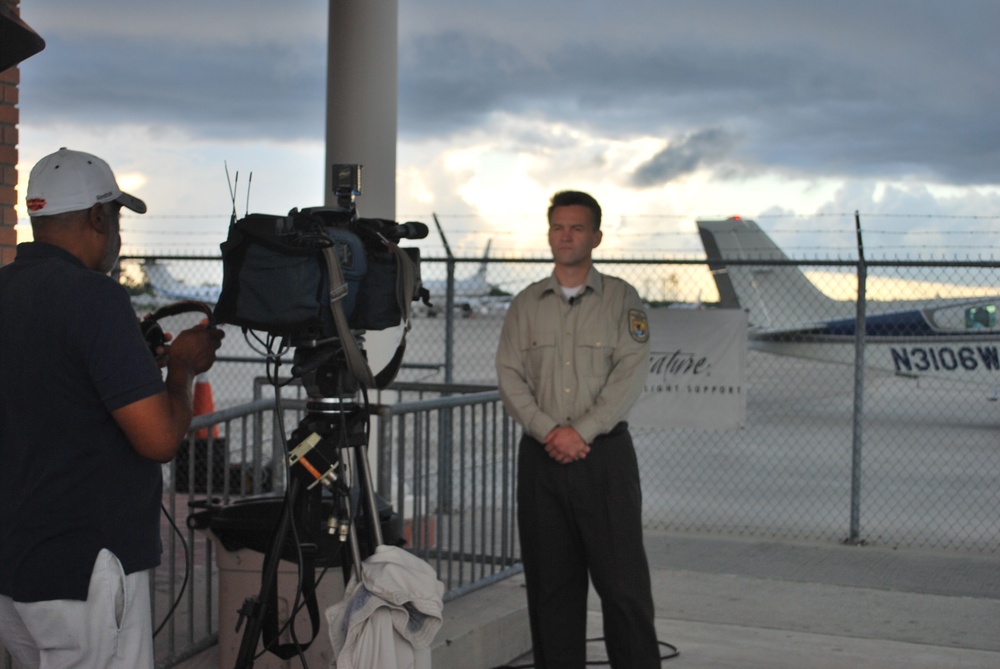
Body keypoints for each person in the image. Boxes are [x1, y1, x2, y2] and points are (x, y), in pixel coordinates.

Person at [0, 148, 224, 668]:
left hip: (16, 567)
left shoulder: (6, 290)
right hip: (85, 568)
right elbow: (160, 439)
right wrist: (183, 369)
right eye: (118, 216)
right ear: (100, 216)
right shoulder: (95, 298)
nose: (119, 232)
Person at [495, 190, 659, 668]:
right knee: (551, 589)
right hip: (541, 463)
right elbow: (510, 377)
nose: (565, 236)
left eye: (577, 228)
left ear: (597, 237)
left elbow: (629, 375)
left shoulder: (622, 301)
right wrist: (550, 431)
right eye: (558, 227)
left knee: (624, 589)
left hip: (604, 460)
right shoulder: (525, 305)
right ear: (550, 234)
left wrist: (581, 431)